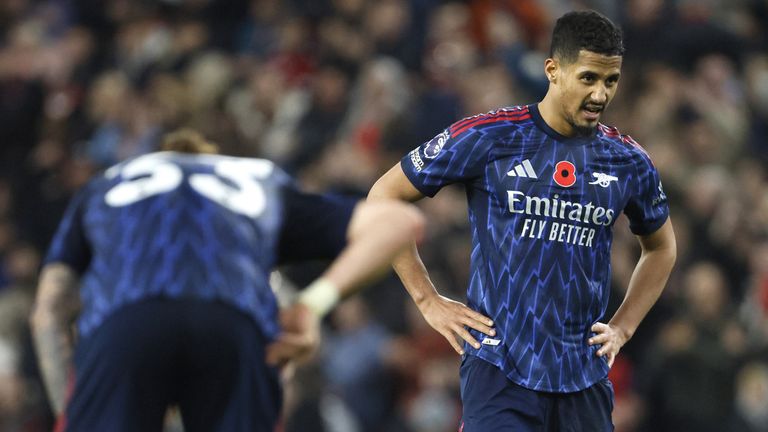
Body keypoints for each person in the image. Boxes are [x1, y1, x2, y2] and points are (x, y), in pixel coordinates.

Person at [368, 10, 676, 431]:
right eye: (588, 78)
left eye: (611, 80)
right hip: (499, 369)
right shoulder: (490, 136)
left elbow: (660, 247)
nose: (601, 95)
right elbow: (385, 195)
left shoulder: (628, 161)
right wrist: (428, 300)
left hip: (583, 376)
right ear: (553, 70)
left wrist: (623, 327)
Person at [30, 128, 425, 432]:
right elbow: (398, 222)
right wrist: (311, 306)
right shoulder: (257, 182)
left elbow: (48, 310)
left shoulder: (104, 187)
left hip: (124, 323)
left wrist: (72, 409)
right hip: (231, 324)